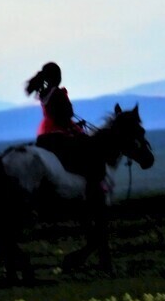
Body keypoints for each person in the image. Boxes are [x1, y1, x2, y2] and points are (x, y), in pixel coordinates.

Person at [24, 63, 108, 211]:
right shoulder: (58, 93)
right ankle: (94, 188)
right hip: (58, 132)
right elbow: (64, 117)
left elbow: (57, 116)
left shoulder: (43, 93)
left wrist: (74, 124)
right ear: (56, 77)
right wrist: (74, 127)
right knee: (90, 150)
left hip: (45, 132)